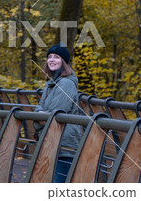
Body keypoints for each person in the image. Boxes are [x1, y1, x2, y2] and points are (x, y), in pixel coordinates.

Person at [34, 43, 82, 183]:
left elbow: (53, 115)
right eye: (49, 57)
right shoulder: (51, 84)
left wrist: (40, 116)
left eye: (56, 57)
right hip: (52, 141)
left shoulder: (66, 84)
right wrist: (41, 115)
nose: (51, 60)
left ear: (64, 62)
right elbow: (39, 109)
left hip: (64, 145)